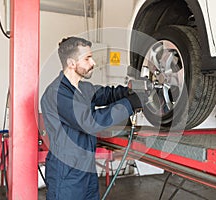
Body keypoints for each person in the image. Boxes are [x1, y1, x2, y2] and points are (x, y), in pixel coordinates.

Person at [41, 36, 144, 200]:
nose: (93, 63)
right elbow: (90, 121)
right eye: (87, 58)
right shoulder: (57, 93)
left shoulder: (83, 88)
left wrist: (130, 92)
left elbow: (106, 94)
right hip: (66, 171)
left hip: (86, 167)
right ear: (71, 63)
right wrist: (129, 105)